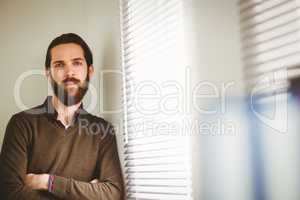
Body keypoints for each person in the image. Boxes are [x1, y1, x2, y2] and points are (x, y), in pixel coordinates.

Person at [0, 33, 124, 199]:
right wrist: (87, 192)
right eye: (59, 65)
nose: (69, 72)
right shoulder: (21, 124)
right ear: (48, 73)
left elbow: (113, 193)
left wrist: (47, 182)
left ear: (90, 71)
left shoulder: (103, 131)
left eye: (77, 63)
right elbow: (9, 193)